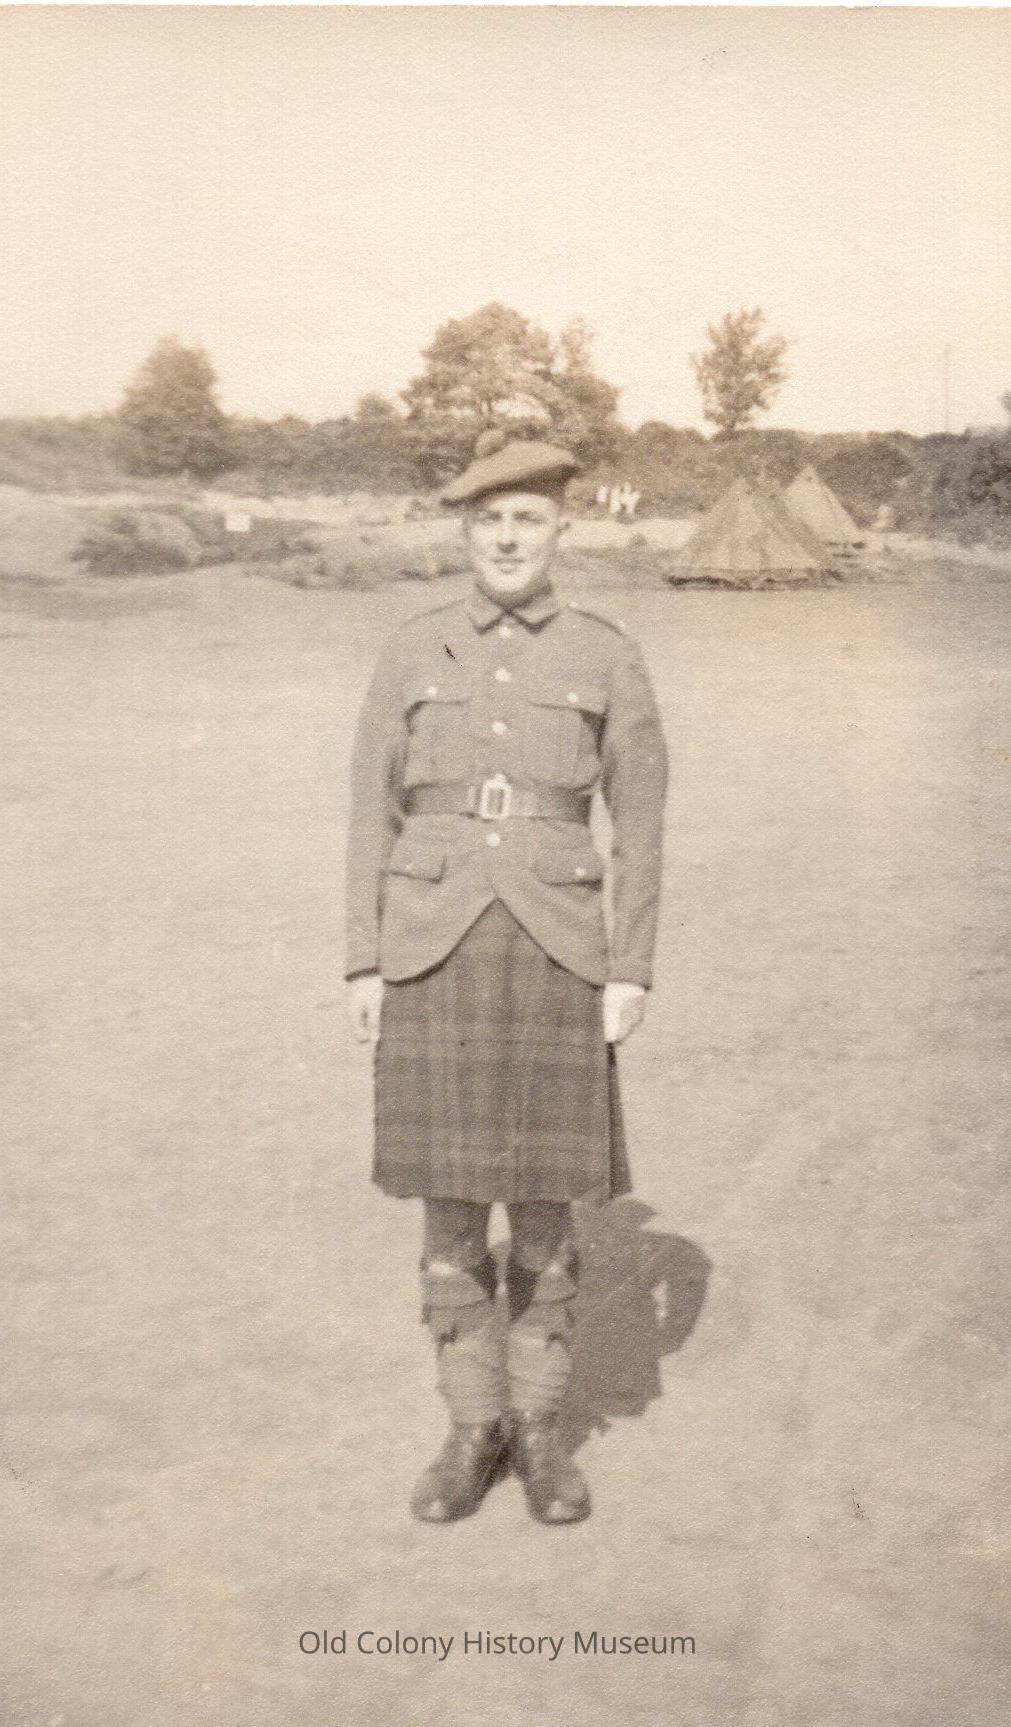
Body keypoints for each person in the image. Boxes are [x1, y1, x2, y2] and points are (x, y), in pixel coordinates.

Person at [344, 428, 668, 1524]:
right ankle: (469, 1424)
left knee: (540, 1212)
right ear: (465, 532)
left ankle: (536, 1428)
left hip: (556, 947)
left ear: (561, 528)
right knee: (447, 1210)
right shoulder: (411, 648)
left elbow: (642, 824)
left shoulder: (605, 653)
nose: (508, 538)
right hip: (430, 943)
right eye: (489, 520)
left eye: (528, 518)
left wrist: (629, 966)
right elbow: (368, 812)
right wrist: (363, 957)